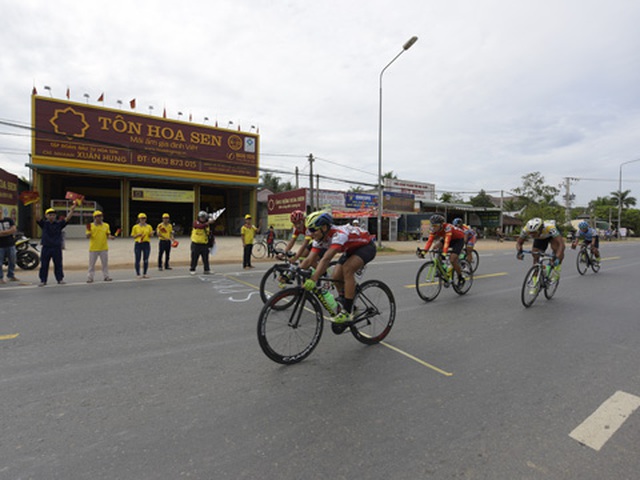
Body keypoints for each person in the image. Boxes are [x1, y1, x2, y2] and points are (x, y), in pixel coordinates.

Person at [300, 211, 376, 324]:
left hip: (366, 247)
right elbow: (309, 259)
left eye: (313, 230)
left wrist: (314, 279)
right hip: (350, 250)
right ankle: (347, 302)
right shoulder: (319, 238)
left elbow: (326, 259)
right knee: (336, 276)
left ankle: (347, 312)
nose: (311, 234)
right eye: (309, 230)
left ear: (324, 227)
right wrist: (294, 271)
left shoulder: (338, 234)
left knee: (347, 269)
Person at [36, 203, 77, 286]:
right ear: (46, 216)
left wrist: (72, 210)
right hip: (46, 247)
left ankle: (60, 279)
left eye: (53, 215)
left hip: (56, 247)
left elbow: (67, 219)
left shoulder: (59, 224)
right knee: (44, 265)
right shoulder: (44, 224)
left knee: (58, 264)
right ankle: (43, 280)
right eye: (50, 215)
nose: (52, 216)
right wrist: (37, 208)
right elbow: (37, 218)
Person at [421, 214, 467, 286]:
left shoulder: (448, 227)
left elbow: (447, 241)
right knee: (435, 248)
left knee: (452, 259)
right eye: (432, 225)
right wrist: (424, 251)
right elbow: (430, 241)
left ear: (442, 225)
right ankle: (443, 268)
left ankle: (460, 277)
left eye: (436, 225)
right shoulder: (433, 229)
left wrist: (444, 253)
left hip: (458, 240)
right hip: (448, 238)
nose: (434, 227)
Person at [86, 210, 114, 283]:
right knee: (91, 264)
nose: (99, 218)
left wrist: (110, 237)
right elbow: (87, 236)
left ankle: (106, 276)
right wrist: (89, 233)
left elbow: (108, 234)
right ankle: (90, 277)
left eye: (100, 216)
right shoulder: (90, 225)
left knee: (105, 264)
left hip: (103, 247)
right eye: (97, 216)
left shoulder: (106, 225)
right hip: (93, 248)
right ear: (94, 218)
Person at [190, 210, 216, 275]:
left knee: (205, 258)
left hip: (204, 244)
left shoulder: (207, 225)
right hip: (196, 243)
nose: (203, 219)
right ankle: (192, 269)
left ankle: (206, 269)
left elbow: (209, 233)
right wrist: (207, 223)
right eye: (201, 217)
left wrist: (212, 240)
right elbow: (199, 226)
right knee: (194, 258)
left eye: (204, 217)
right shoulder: (196, 223)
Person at [131, 212, 154, 278]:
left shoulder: (149, 226)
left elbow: (150, 235)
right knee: (137, 259)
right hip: (138, 243)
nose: (143, 220)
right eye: (141, 218)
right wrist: (138, 235)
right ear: (139, 219)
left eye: (144, 218)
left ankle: (145, 273)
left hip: (146, 243)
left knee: (146, 259)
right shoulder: (135, 227)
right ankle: (138, 273)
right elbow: (133, 236)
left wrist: (151, 234)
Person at [0, 209, 19, 284]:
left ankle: (11, 275)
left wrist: (2, 233)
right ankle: (0, 278)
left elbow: (14, 229)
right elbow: (11, 230)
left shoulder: (8, 220)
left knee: (13, 260)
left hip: (10, 244)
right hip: (0, 246)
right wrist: (8, 232)